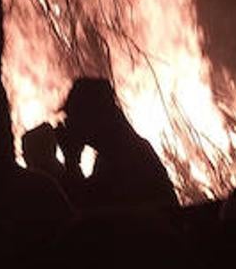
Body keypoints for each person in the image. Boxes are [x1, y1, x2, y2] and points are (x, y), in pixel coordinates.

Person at [53, 78, 177, 211]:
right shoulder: (115, 153)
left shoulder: (126, 157)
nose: (69, 123)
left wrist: (71, 158)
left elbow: (85, 209)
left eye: (74, 116)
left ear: (94, 117)